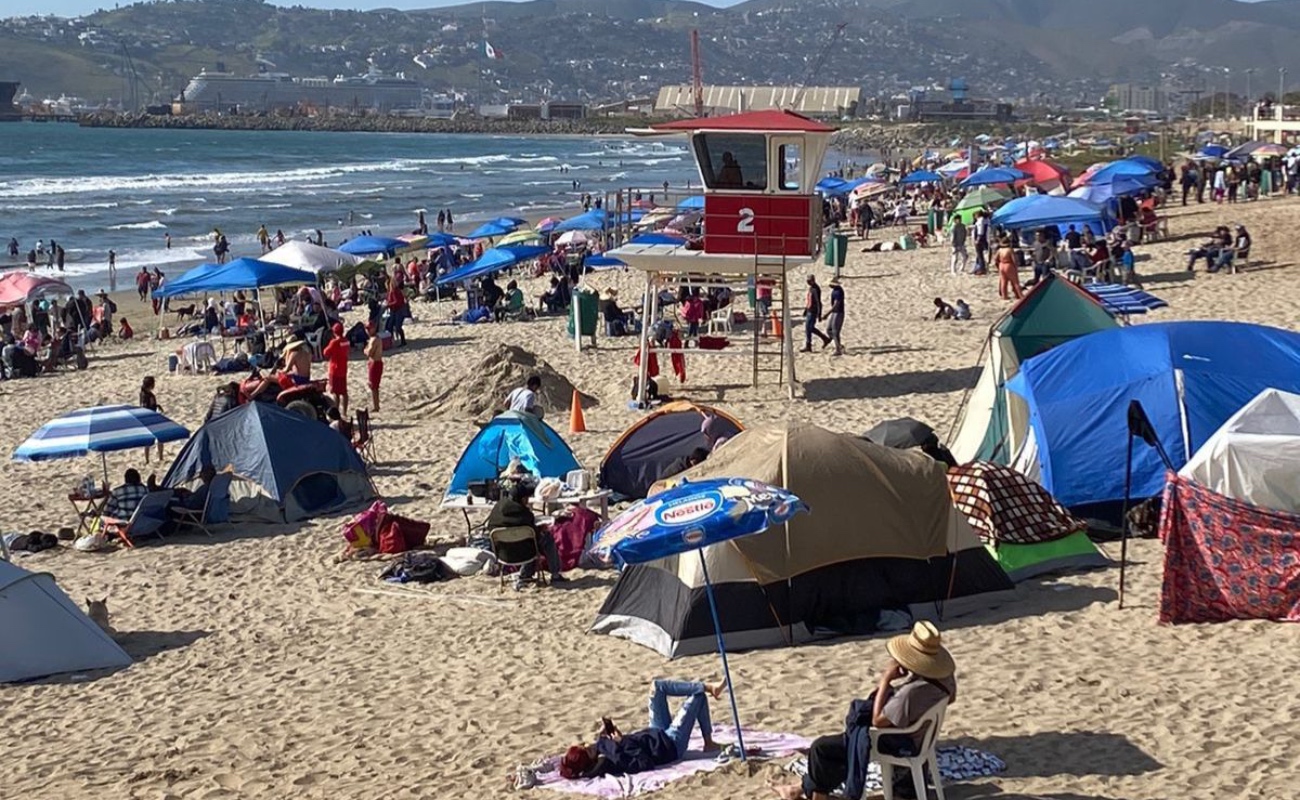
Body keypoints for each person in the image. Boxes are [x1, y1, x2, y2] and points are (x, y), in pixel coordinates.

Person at [774, 621, 956, 800]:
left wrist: (886, 679)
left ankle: (812, 793)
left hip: (900, 741)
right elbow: (952, 698)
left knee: (822, 749)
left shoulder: (911, 694)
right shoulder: (945, 680)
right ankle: (800, 789)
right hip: (922, 739)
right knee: (843, 747)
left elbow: (878, 720)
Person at [559, 679, 726, 779]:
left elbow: (604, 748)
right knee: (698, 697)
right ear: (592, 761)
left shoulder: (602, 747)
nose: (588, 746)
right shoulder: (614, 760)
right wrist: (622, 742)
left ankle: (708, 686)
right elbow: (645, 763)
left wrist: (607, 735)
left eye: (584, 745)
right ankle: (708, 741)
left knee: (657, 686)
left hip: (656, 733)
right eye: (587, 750)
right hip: (671, 745)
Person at [485, 482, 566, 589]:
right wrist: (540, 529)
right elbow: (534, 535)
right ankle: (555, 574)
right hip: (525, 553)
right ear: (523, 499)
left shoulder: (497, 509)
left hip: (503, 554)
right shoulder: (524, 513)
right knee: (544, 539)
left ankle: (525, 575)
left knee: (526, 542)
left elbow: (489, 527)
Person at [322, 322, 350, 416]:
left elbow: (326, 352)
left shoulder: (334, 342)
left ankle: (337, 411)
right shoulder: (346, 340)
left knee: (335, 393)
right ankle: (344, 412)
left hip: (335, 369)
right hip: (343, 368)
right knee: (344, 392)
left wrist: (331, 342)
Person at [138, 375, 166, 463]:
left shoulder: (142, 394)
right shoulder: (149, 396)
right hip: (151, 419)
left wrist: (158, 406)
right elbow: (148, 407)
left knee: (148, 441)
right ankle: (160, 457)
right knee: (160, 438)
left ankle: (147, 460)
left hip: (145, 419)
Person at [801, 275, 831, 352]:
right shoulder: (811, 288)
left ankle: (809, 345)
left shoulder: (815, 289)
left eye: (809, 281)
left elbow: (818, 302)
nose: (808, 282)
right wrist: (805, 310)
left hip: (813, 311)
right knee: (809, 328)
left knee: (809, 328)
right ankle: (824, 339)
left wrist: (819, 314)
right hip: (809, 310)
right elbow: (809, 300)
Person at [823, 276, 845, 356]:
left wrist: (827, 314)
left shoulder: (838, 292)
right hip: (835, 312)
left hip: (838, 313)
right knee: (829, 329)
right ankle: (838, 344)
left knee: (835, 331)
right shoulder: (835, 290)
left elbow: (836, 305)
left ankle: (838, 349)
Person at [364, 321, 383, 413]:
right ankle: (376, 405)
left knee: (373, 386)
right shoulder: (374, 338)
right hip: (375, 362)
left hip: (375, 363)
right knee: (374, 386)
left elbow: (369, 353)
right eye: (366, 329)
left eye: (369, 329)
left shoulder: (374, 339)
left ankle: (376, 406)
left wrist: (365, 350)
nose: (367, 330)